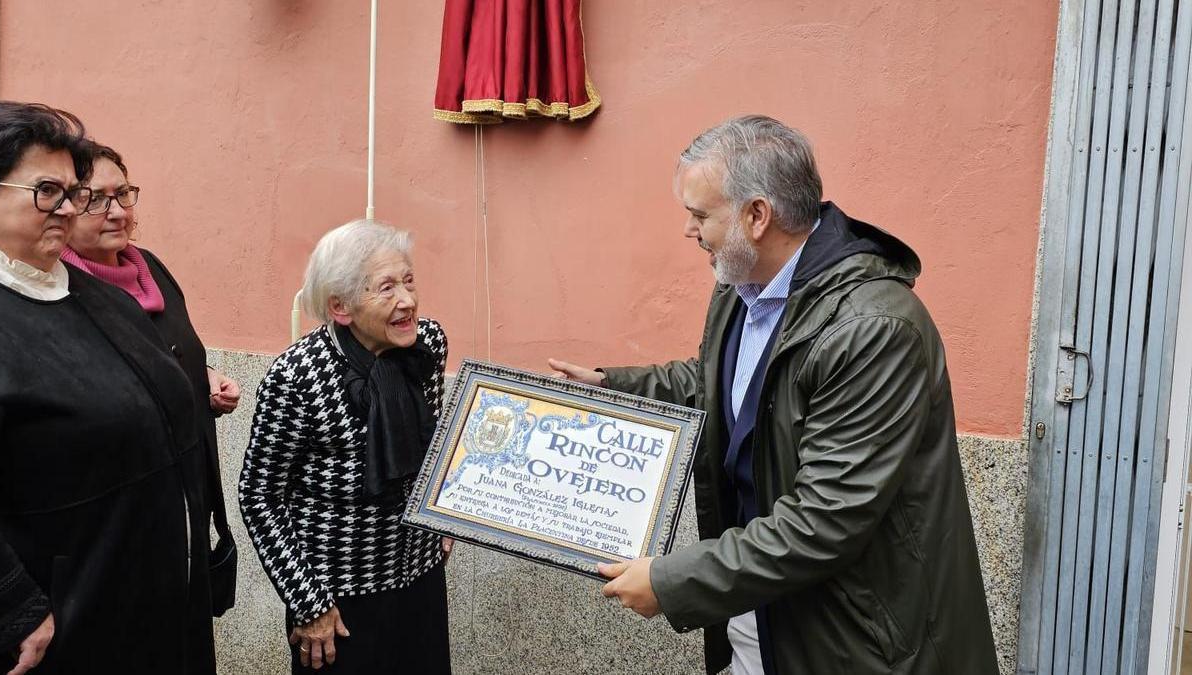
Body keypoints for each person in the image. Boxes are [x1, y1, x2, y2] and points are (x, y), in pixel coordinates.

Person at [550, 115, 998, 675]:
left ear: (755, 216)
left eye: (698, 215)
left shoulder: (873, 328)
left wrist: (671, 582)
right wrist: (611, 388)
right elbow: (727, 384)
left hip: (857, 642)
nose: (690, 232)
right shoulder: (744, 288)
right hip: (761, 612)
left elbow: (825, 519)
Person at [0, 101, 218, 674]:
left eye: (73, 192)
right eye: (47, 190)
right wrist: (10, 605)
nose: (68, 209)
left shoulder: (103, 298)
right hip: (72, 611)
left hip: (160, 596)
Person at [239, 219, 452, 674]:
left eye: (409, 280)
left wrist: (446, 509)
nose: (408, 301)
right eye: (387, 288)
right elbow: (259, 495)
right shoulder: (297, 376)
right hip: (336, 602)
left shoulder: (427, 345)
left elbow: (433, 440)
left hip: (420, 577)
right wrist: (307, 602)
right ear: (341, 306)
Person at [60, 140, 241, 619]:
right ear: (62, 205)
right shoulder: (63, 294)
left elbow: (170, 352)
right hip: (124, 519)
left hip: (187, 499)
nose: (117, 211)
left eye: (124, 194)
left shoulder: (152, 269)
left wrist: (203, 378)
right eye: (95, 198)